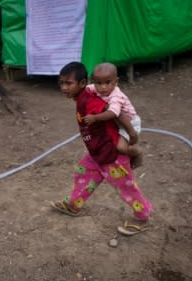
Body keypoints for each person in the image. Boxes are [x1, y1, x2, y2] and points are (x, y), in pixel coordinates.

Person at [50, 61, 152, 223]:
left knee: (126, 188)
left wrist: (132, 134)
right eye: (61, 83)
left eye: (69, 83)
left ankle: (143, 216)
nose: (64, 88)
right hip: (96, 152)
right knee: (82, 174)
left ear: (82, 83)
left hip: (112, 154)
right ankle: (73, 205)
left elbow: (117, 114)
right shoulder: (84, 96)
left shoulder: (89, 100)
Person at [84, 62, 143, 168]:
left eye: (108, 82)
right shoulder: (96, 88)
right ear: (94, 81)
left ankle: (136, 153)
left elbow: (113, 113)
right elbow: (86, 89)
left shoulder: (116, 96)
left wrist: (95, 118)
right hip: (117, 122)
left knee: (121, 148)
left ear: (116, 82)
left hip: (129, 123)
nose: (103, 87)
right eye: (99, 83)